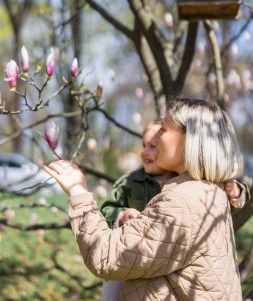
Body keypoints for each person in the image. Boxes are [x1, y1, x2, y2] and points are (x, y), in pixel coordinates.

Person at [44, 98, 244, 300]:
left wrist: (78, 191)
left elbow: (105, 257)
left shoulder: (181, 205)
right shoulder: (211, 191)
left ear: (190, 139)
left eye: (164, 129)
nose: (155, 139)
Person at [100, 119, 249, 301]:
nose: (145, 152)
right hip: (129, 253)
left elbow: (211, 214)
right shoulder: (129, 182)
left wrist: (237, 193)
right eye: (144, 145)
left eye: (153, 146)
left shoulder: (188, 182)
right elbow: (107, 208)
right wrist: (121, 215)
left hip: (164, 263)